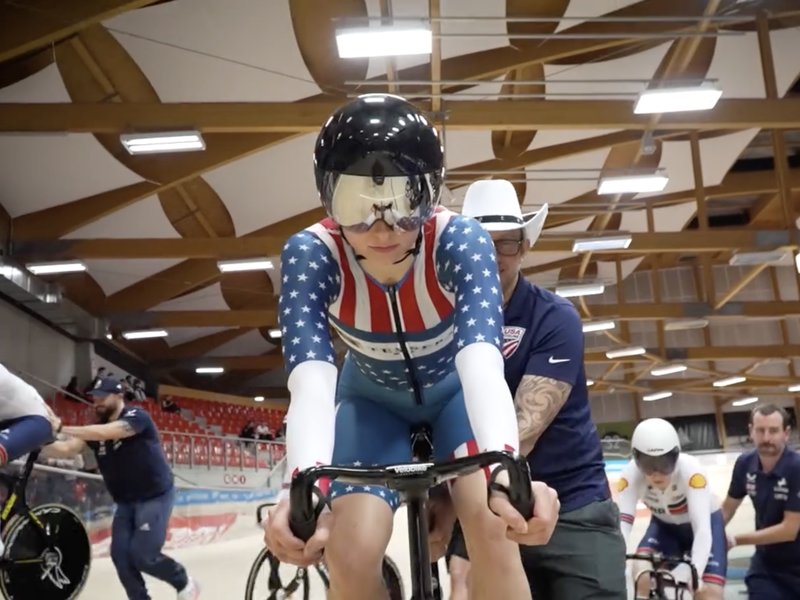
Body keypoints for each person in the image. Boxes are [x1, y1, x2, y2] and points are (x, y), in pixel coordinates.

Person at [263, 93, 560, 600]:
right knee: (350, 555)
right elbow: (312, 382)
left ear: (433, 194)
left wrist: (508, 467)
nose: (382, 228)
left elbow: (482, 367)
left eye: (404, 204)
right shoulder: (311, 254)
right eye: (356, 206)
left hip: (454, 397)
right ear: (326, 198)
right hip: (370, 403)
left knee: (495, 532)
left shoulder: (462, 240)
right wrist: (303, 483)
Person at [438, 179, 627, 599]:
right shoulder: (436, 327)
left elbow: (522, 430)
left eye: (506, 244)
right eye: (480, 242)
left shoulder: (555, 318)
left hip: (572, 509)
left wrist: (454, 495)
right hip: (485, 505)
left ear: (524, 247)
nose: (492, 255)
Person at [40, 377, 200, 600]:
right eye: (95, 399)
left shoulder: (137, 418)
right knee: (121, 557)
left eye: (103, 398)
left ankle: (183, 580)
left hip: (155, 496)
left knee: (144, 556)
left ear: (119, 396)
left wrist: (64, 426)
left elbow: (109, 432)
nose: (98, 403)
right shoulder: (95, 428)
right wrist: (32, 443)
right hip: (125, 502)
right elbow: (66, 448)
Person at [617, 418, 726, 600]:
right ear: (635, 459)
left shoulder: (692, 472)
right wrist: (616, 561)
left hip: (703, 527)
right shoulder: (630, 476)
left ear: (676, 455)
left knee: (707, 594)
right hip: (664, 528)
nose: (656, 473)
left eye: (664, 463)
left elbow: (702, 530)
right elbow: (623, 526)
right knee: (641, 574)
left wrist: (695, 572)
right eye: (647, 464)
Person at [721, 403, 800, 600]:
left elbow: (790, 529)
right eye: (760, 430)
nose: (766, 438)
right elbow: (727, 510)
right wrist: (703, 533)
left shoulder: (797, 468)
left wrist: (735, 540)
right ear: (751, 431)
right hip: (767, 566)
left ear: (786, 433)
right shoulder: (744, 464)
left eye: (773, 431)